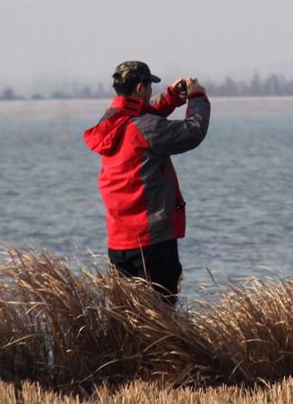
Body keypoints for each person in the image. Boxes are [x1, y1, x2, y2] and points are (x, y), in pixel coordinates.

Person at [83, 61, 210, 305]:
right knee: (160, 317)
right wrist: (197, 97)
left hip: (118, 243)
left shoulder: (109, 123)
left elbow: (141, 114)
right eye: (149, 86)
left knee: (127, 318)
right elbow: (193, 131)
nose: (151, 91)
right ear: (141, 87)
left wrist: (171, 97)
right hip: (151, 242)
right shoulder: (144, 128)